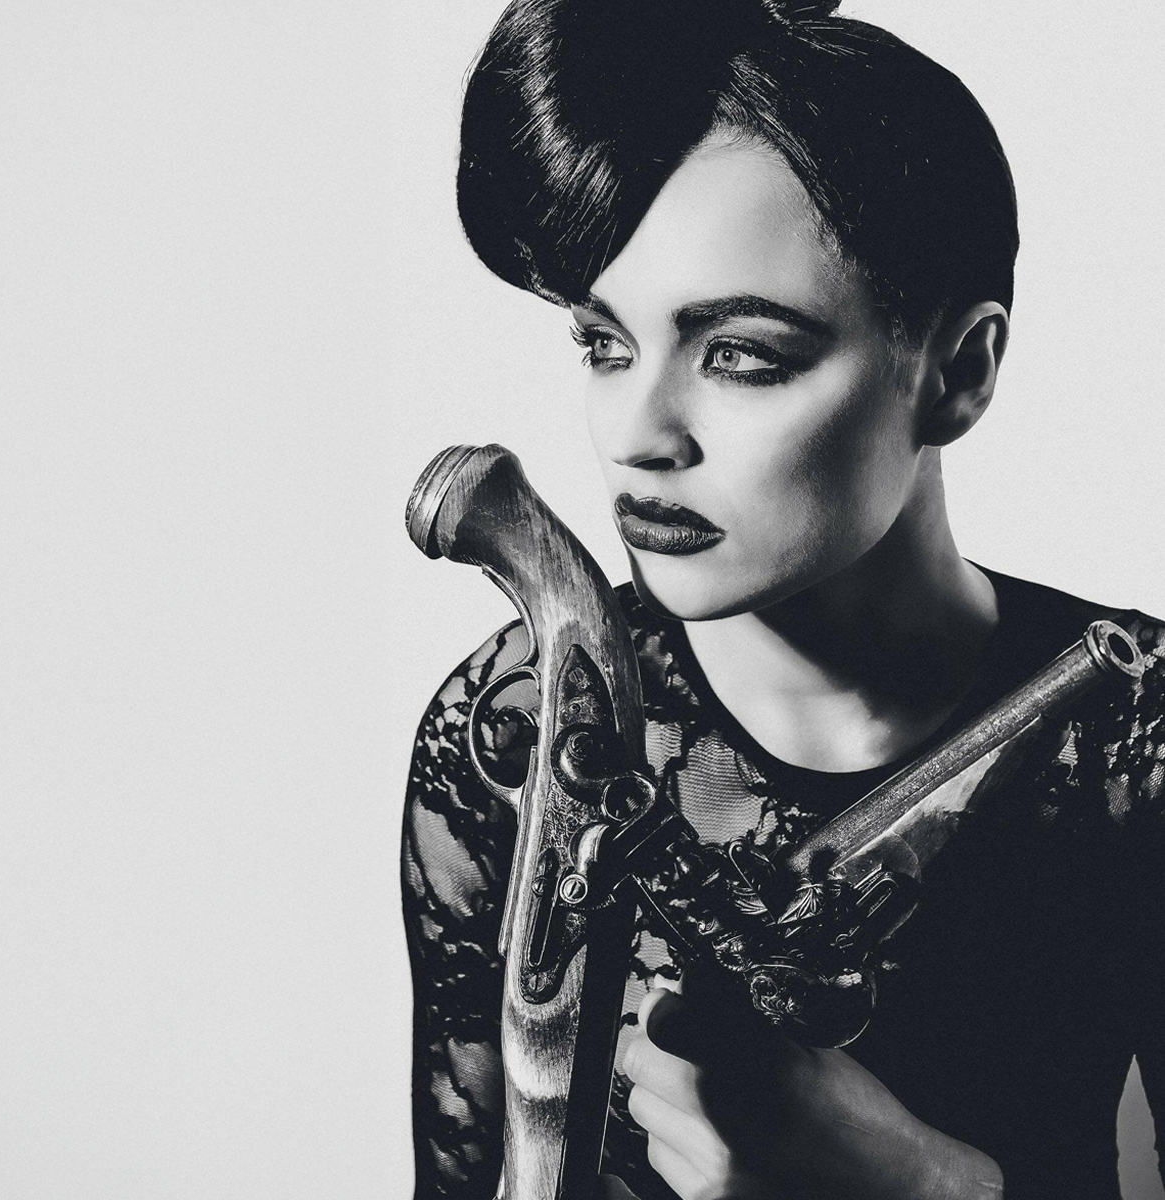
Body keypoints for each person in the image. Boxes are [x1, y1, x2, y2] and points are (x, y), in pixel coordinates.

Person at [400, 1, 1165, 1197]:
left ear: (957, 372)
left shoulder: (1136, 733)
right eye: (605, 344)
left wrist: (927, 1186)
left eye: (743, 356)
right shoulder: (512, 723)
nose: (637, 436)